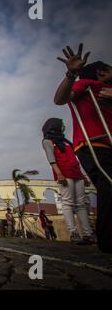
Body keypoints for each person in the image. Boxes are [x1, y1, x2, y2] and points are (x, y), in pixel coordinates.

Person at [53, 43, 111, 251]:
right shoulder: (86, 84)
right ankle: (105, 239)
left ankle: (95, 235)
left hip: (101, 147)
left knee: (87, 199)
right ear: (102, 72)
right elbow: (60, 99)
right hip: (95, 144)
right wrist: (71, 74)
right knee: (108, 187)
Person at [42, 118, 93, 244]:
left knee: (80, 204)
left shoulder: (66, 142)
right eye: (61, 125)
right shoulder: (47, 142)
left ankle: (88, 233)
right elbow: (52, 160)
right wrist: (59, 173)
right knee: (68, 202)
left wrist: (83, 175)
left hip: (76, 173)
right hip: (64, 173)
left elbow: (75, 160)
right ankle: (73, 232)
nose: (63, 127)